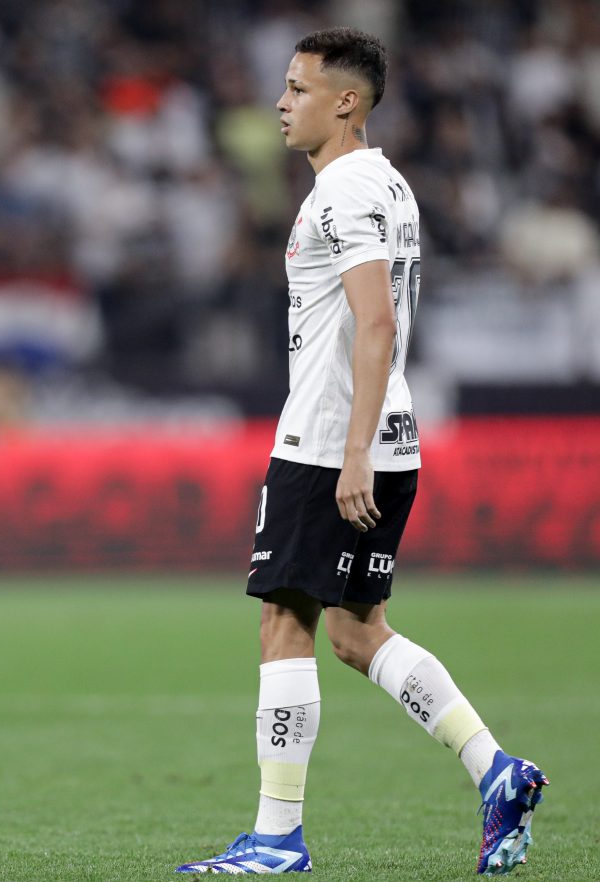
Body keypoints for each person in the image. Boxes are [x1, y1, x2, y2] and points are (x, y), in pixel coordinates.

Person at [176, 28, 546, 876]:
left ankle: (275, 840)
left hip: (330, 441)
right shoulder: (391, 185)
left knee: (284, 622)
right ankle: (497, 770)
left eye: (298, 88)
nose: (281, 102)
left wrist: (351, 454)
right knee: (355, 630)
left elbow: (375, 321)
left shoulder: (342, 193)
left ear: (347, 101)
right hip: (391, 435)